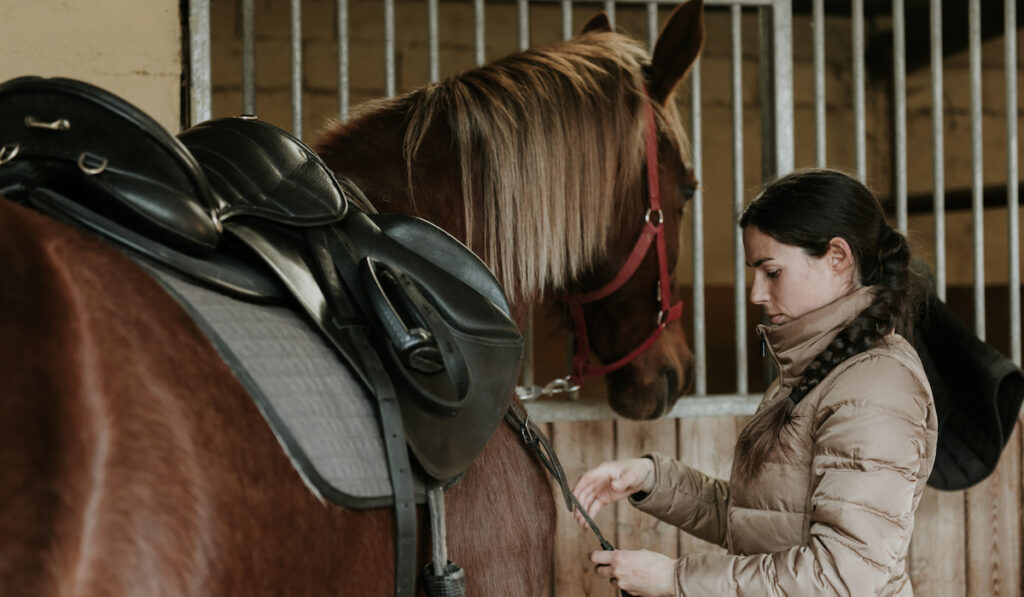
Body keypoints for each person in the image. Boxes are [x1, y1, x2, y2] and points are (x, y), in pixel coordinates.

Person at [572, 169, 937, 596]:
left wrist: (674, 578)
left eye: (772, 272)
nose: (756, 294)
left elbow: (843, 576)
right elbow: (760, 519)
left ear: (838, 258)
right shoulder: (817, 371)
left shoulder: (876, 388)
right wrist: (651, 479)